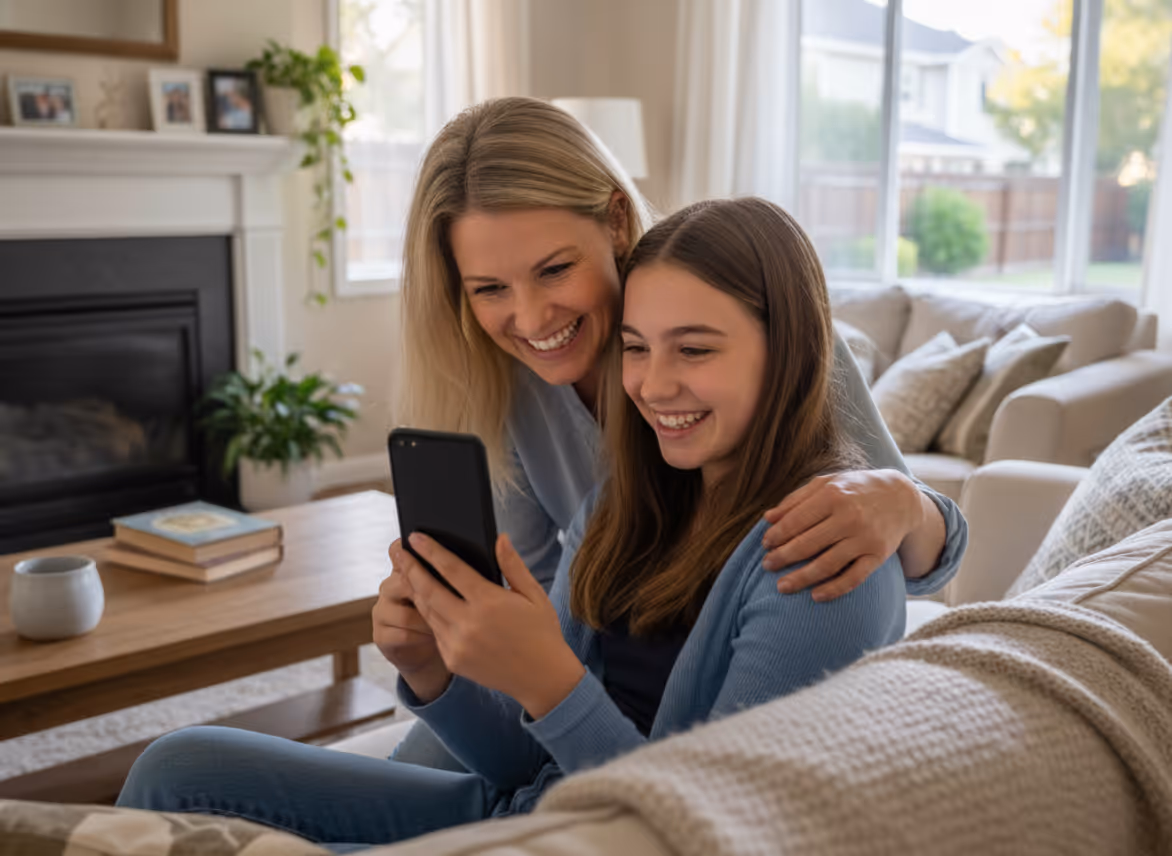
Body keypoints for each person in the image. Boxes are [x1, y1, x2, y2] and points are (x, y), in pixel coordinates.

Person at [117, 197, 909, 850]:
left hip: (593, 838)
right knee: (178, 765)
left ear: (788, 352)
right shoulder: (624, 506)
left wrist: (549, 682)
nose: (652, 385)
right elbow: (521, 766)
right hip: (517, 812)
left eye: (694, 350)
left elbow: (702, 829)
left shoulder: (822, 559)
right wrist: (436, 669)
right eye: (635, 348)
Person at [389, 95, 965, 769]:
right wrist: (447, 665)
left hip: (678, 696)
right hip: (588, 680)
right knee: (390, 781)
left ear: (615, 222)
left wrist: (904, 502)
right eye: (490, 289)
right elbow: (546, 608)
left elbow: (915, 566)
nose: (533, 317)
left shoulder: (768, 339)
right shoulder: (504, 385)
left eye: (554, 270)